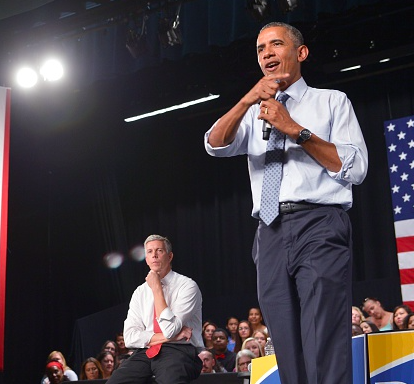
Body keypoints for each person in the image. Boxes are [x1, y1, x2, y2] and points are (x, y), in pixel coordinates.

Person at [204, 21, 368, 384]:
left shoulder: (331, 101)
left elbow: (354, 167)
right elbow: (214, 143)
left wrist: (294, 128)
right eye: (261, 49)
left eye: (275, 45)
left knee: (323, 336)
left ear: (301, 53)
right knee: (285, 343)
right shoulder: (254, 110)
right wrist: (248, 99)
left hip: (319, 224)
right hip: (270, 231)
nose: (267, 54)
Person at [106, 234, 203, 384]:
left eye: (159, 251)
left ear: (170, 256)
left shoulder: (187, 286)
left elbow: (169, 329)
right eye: (150, 252)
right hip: (147, 350)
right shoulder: (140, 292)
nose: (154, 255)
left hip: (178, 350)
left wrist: (157, 288)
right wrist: (172, 335)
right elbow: (130, 337)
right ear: (146, 259)